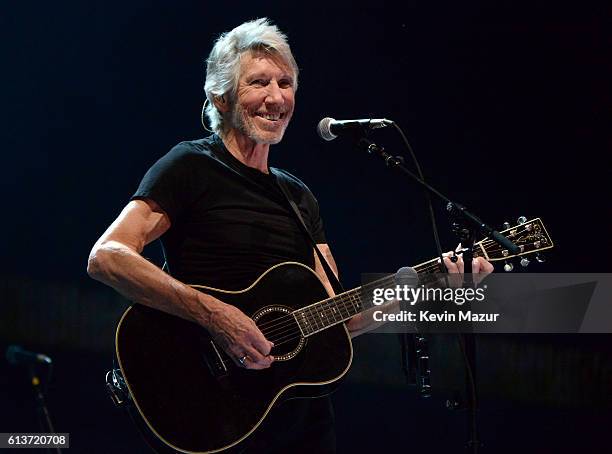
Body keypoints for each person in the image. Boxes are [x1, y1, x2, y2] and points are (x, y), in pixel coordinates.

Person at [87, 18, 493, 453]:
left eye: (286, 82)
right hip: (216, 408)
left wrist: (425, 287)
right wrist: (216, 316)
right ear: (219, 97)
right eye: (258, 82)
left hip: (300, 423)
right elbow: (107, 256)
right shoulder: (189, 166)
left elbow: (338, 319)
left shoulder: (298, 196)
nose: (276, 97)